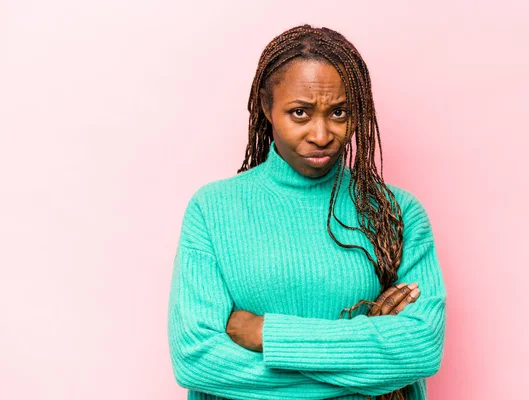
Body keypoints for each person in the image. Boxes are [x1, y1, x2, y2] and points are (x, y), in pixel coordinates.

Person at [167, 24, 447, 400]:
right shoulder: (212, 209)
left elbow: (422, 347)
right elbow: (195, 359)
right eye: (299, 112)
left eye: (339, 112)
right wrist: (366, 362)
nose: (321, 134)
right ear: (267, 108)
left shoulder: (396, 213)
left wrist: (268, 334)